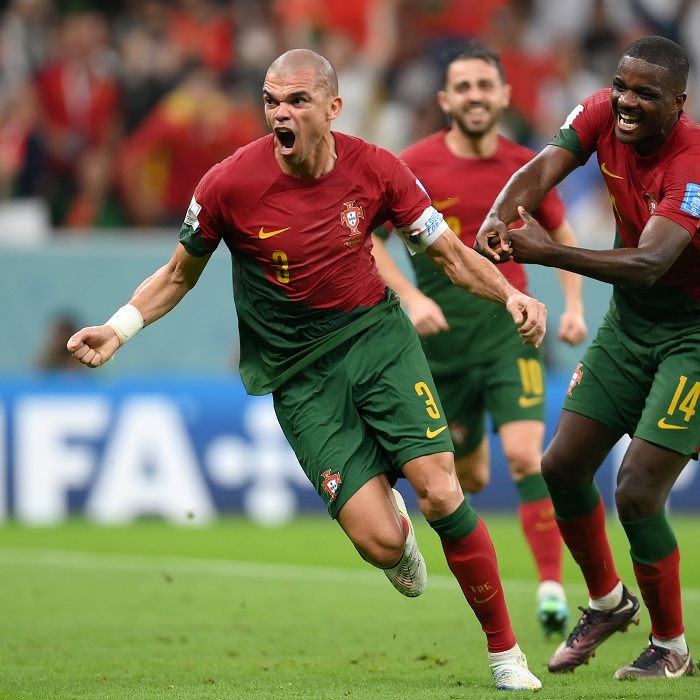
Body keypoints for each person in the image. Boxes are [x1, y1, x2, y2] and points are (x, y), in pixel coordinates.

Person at [67, 48, 546, 691]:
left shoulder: (378, 170)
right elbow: (180, 273)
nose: (281, 113)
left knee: (440, 488)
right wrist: (119, 328)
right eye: (271, 100)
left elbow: (451, 257)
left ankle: (505, 652)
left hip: (378, 340)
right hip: (298, 376)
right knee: (379, 544)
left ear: (332, 108)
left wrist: (511, 294)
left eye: (296, 100)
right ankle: (394, 532)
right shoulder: (227, 185)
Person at [475, 35, 699, 680]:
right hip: (630, 329)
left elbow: (652, 263)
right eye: (622, 86)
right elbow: (540, 171)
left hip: (693, 339)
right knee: (563, 465)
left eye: (645, 95)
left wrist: (546, 253)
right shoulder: (601, 111)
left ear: (677, 104)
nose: (626, 102)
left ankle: (671, 648)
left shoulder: (693, 164)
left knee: (635, 490)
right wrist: (501, 214)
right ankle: (608, 601)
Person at [372, 42, 587, 637]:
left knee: (525, 455)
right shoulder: (411, 165)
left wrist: (571, 306)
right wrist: (412, 299)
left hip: (509, 334)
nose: (474, 96)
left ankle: (549, 587)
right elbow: (371, 242)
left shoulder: (528, 165)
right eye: (462, 87)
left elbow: (562, 234)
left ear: (503, 95)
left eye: (483, 86)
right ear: (444, 100)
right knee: (469, 480)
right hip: (440, 351)